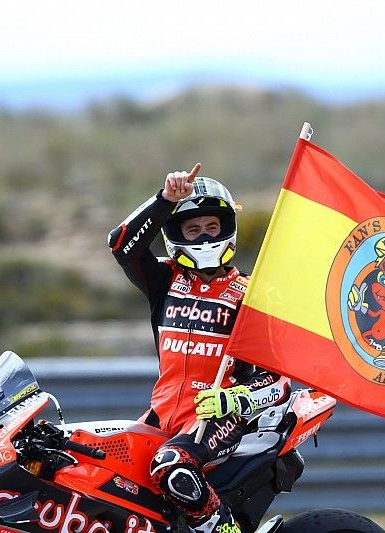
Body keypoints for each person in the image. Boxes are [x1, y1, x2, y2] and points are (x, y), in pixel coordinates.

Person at [108, 163, 290, 533]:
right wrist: (164, 201)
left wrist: (237, 398)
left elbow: (280, 380)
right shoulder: (163, 280)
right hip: (162, 414)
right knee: (113, 466)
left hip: (221, 416)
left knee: (172, 466)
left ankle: (225, 529)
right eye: (192, 229)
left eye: (212, 227)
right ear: (176, 234)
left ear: (228, 230)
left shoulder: (253, 296)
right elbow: (121, 245)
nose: (204, 236)